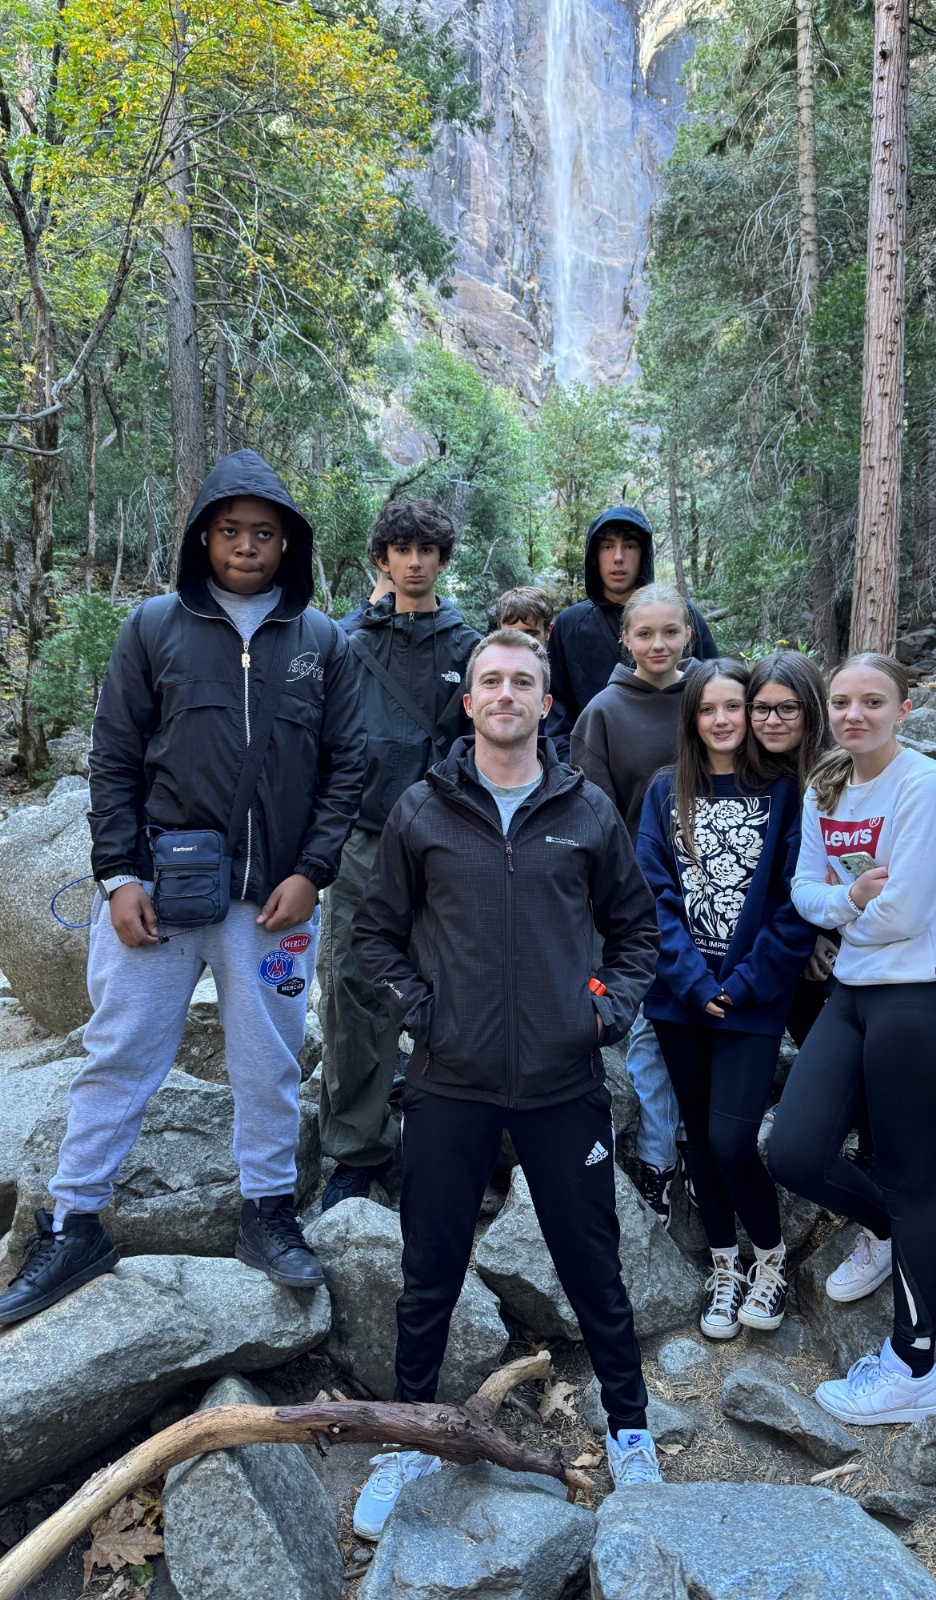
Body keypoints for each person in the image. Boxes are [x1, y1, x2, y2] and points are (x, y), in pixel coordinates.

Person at [0, 449, 368, 1327]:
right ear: (203, 538)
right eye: (229, 530)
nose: (246, 546)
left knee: (269, 1063)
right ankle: (74, 1224)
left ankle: (267, 1213)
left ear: (288, 544)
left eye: (263, 532)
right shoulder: (152, 627)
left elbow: (347, 768)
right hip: (157, 893)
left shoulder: (322, 642)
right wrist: (118, 876)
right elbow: (113, 759)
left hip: (271, 905)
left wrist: (312, 872)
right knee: (120, 1054)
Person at [349, 628, 663, 1534]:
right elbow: (376, 934)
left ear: (545, 702)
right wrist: (424, 1013)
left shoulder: (586, 809)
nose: (506, 694)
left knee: (594, 1265)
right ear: (469, 701)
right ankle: (407, 1438)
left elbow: (635, 931)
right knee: (428, 1271)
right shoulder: (422, 809)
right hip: (449, 1078)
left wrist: (601, 1015)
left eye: (523, 681)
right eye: (491, 680)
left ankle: (631, 1429)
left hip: (565, 1081)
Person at [768, 652, 936, 1425]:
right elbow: (804, 890)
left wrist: (843, 908)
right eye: (841, 702)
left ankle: (914, 1369)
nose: (854, 714)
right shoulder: (828, 785)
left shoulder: (926, 784)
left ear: (903, 710)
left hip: (924, 1000)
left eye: (873, 701)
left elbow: (909, 912)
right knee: (793, 1152)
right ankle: (889, 1232)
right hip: (854, 994)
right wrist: (848, 898)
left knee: (907, 1178)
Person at [635, 659, 815, 1340]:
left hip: (752, 1001)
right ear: (691, 717)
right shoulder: (664, 791)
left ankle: (769, 1260)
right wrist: (692, 981)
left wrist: (739, 985)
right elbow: (650, 895)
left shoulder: (785, 793)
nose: (720, 720)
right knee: (698, 1141)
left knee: (732, 1141)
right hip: (679, 999)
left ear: (750, 712)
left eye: (733, 707)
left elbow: (795, 903)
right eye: (706, 708)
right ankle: (723, 1265)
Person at [317, 499, 479, 1208]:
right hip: (361, 841)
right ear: (381, 559)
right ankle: (358, 1147)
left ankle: (448, 1139)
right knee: (354, 991)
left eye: (427, 550)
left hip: (448, 844)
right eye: (402, 550)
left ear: (443, 559)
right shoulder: (344, 641)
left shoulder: (469, 648)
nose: (415, 562)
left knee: (455, 988)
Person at [570, 582, 699, 1221]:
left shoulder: (707, 698)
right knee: (650, 1029)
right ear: (625, 639)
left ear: (688, 634)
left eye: (670, 632)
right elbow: (590, 814)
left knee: (706, 1019)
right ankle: (657, 1156)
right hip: (639, 896)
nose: (658, 644)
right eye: (644, 633)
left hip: (715, 890)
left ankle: (699, 1148)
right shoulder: (603, 713)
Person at [545, 506, 718, 757]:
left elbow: (715, 689)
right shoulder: (570, 625)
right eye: (607, 547)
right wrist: (571, 769)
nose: (618, 557)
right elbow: (557, 712)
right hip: (591, 769)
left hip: (683, 766)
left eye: (629, 546)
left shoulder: (680, 614)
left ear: (643, 553)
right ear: (594, 556)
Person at [745, 652, 840, 1045]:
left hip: (840, 932)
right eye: (761, 708)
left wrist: (816, 935)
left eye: (787, 708)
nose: (772, 721)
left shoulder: (841, 771)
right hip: (777, 933)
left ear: (812, 709)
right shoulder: (741, 774)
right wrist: (801, 939)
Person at [338, 535, 396, 633]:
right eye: (403, 550)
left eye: (423, 551)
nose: (415, 561)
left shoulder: (343, 628)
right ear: (383, 561)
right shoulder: (345, 632)